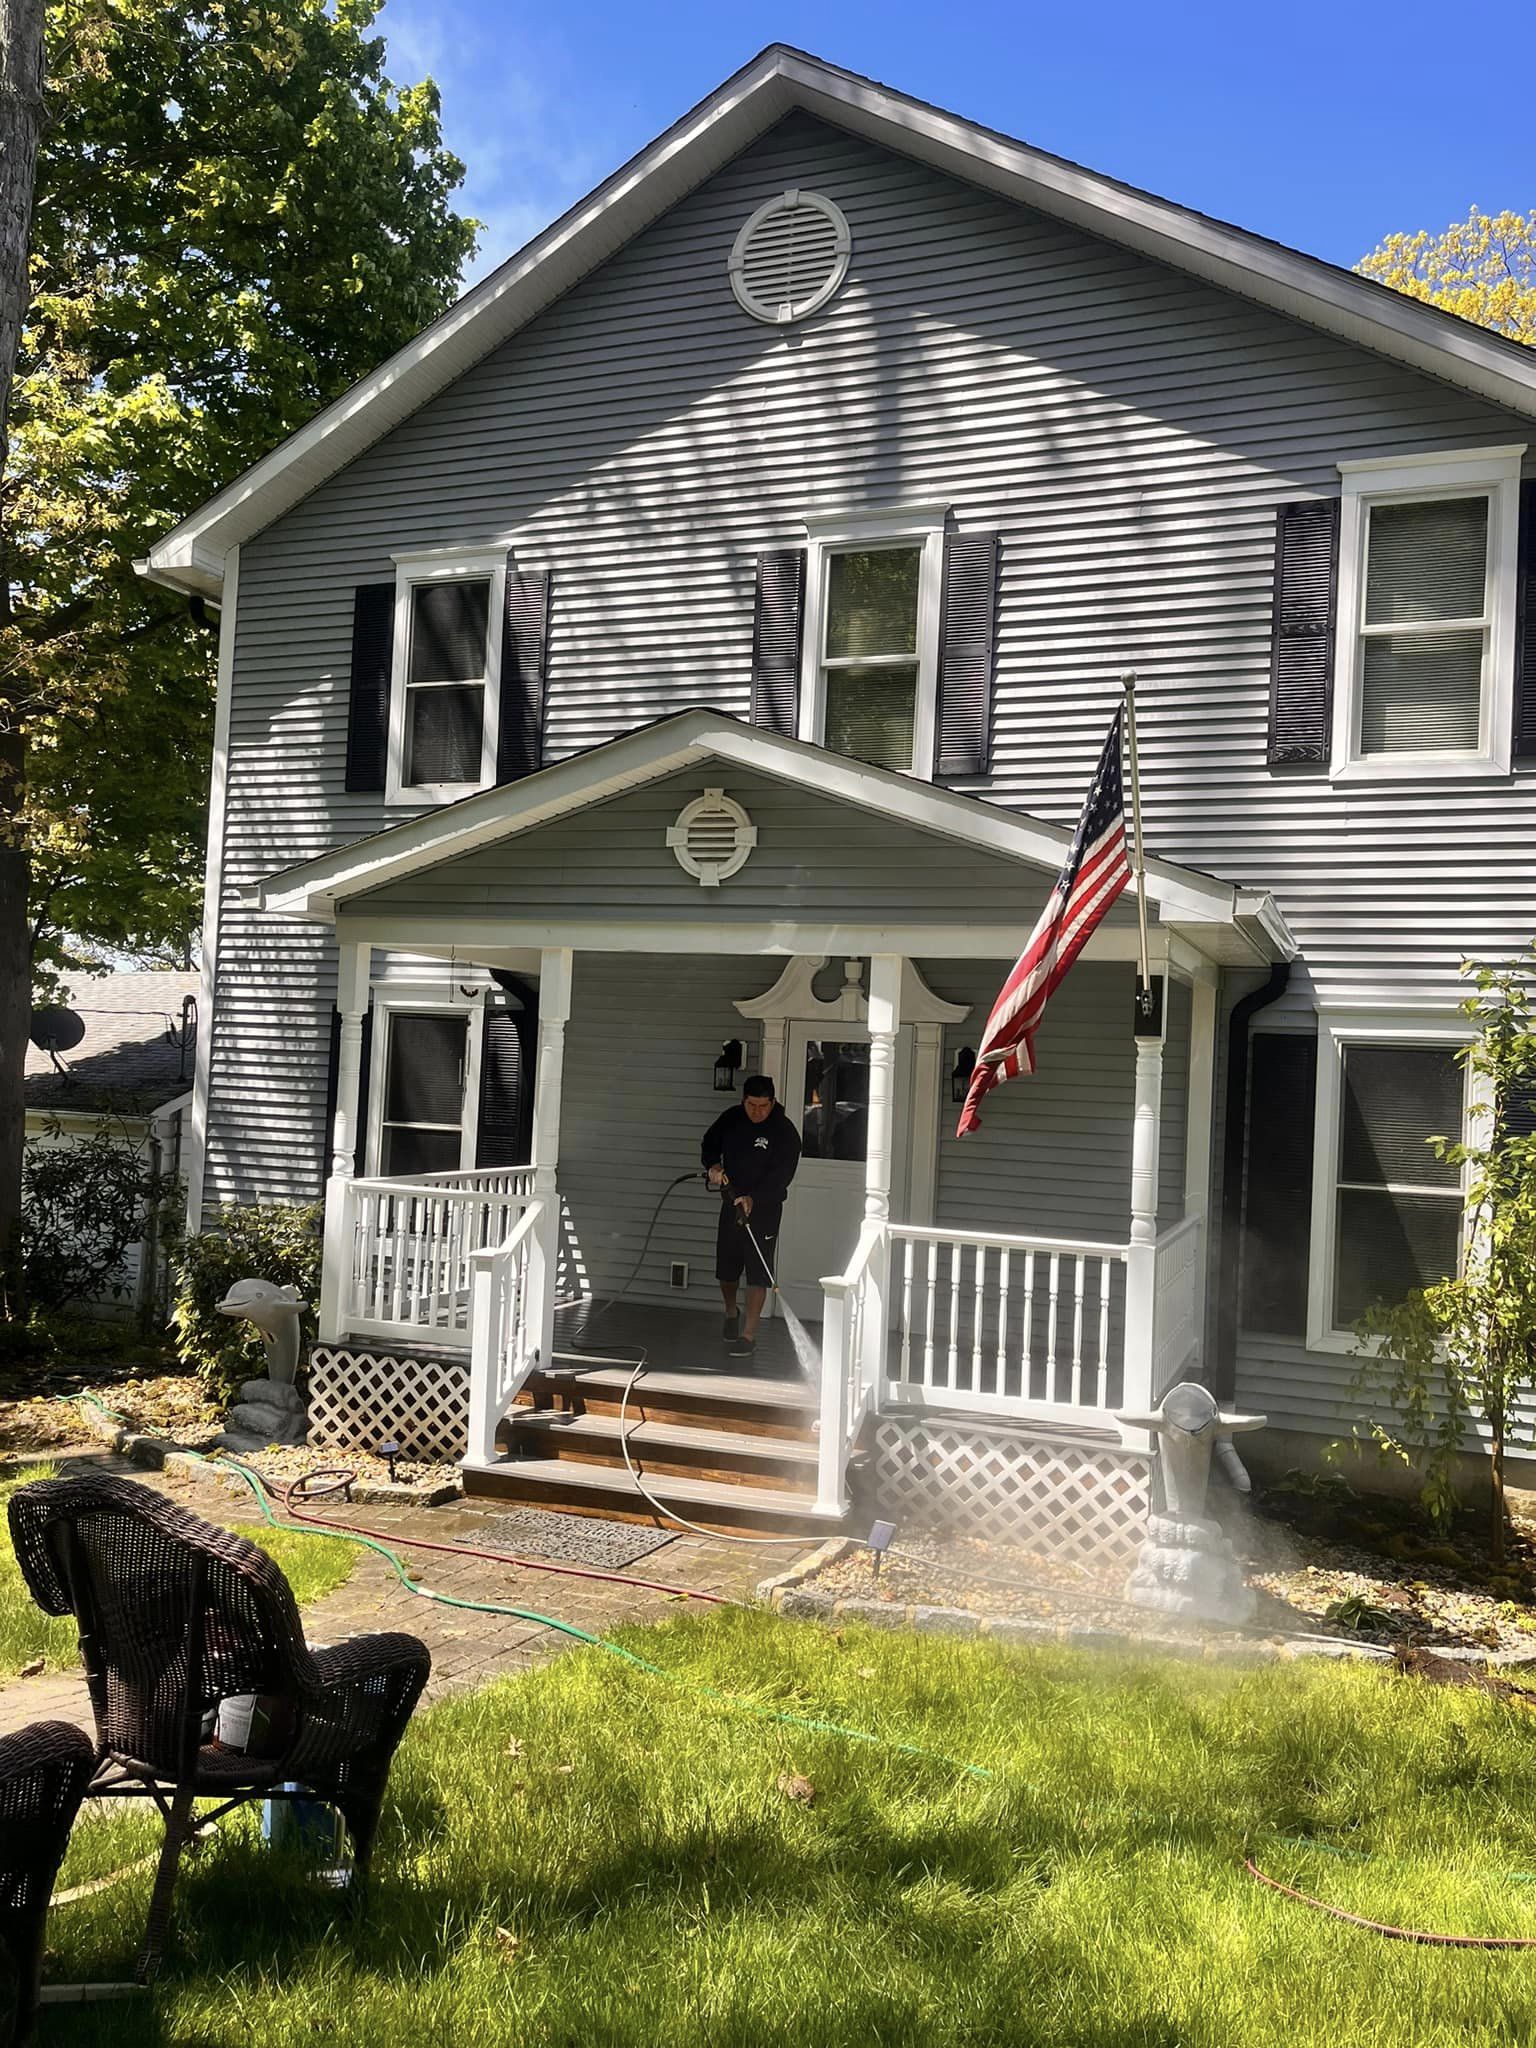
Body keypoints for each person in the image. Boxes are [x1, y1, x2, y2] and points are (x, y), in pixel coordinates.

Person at [700, 1074, 801, 1361]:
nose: (757, 1112)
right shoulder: (731, 1119)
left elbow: (782, 1177)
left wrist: (755, 1198)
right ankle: (731, 1312)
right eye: (752, 1105)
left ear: (773, 1102)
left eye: (763, 1106)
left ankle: (748, 1335)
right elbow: (709, 1143)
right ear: (743, 1101)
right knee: (727, 1271)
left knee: (758, 1272)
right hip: (732, 1204)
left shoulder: (784, 1132)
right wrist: (713, 1165)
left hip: (765, 1210)